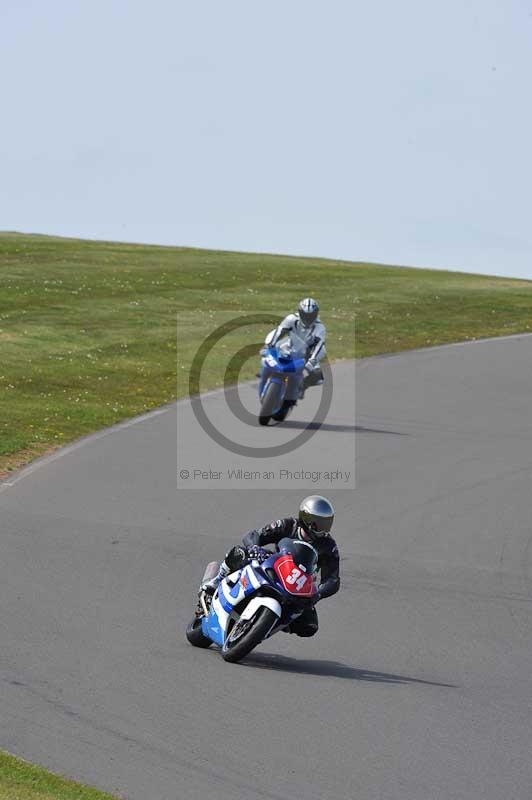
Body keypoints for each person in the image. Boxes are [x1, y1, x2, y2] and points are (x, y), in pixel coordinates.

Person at [201, 496, 340, 637]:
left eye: (327, 523)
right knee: (240, 553)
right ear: (307, 519)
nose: (323, 529)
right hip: (273, 567)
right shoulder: (288, 525)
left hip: (298, 585)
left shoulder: (328, 546)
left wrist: (319, 593)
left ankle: (268, 624)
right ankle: (217, 580)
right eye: (319, 523)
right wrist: (254, 547)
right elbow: (254, 535)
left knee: (309, 625)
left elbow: (333, 579)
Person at [266, 297, 327, 413]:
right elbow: (279, 331)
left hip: (310, 353)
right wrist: (270, 345)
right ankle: (267, 373)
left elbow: (319, 346)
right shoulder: (291, 319)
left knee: (318, 376)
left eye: (311, 315)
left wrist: (312, 361)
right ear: (300, 313)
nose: (308, 318)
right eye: (305, 315)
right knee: (271, 354)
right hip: (290, 346)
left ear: (316, 314)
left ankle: (303, 386)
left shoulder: (320, 328)